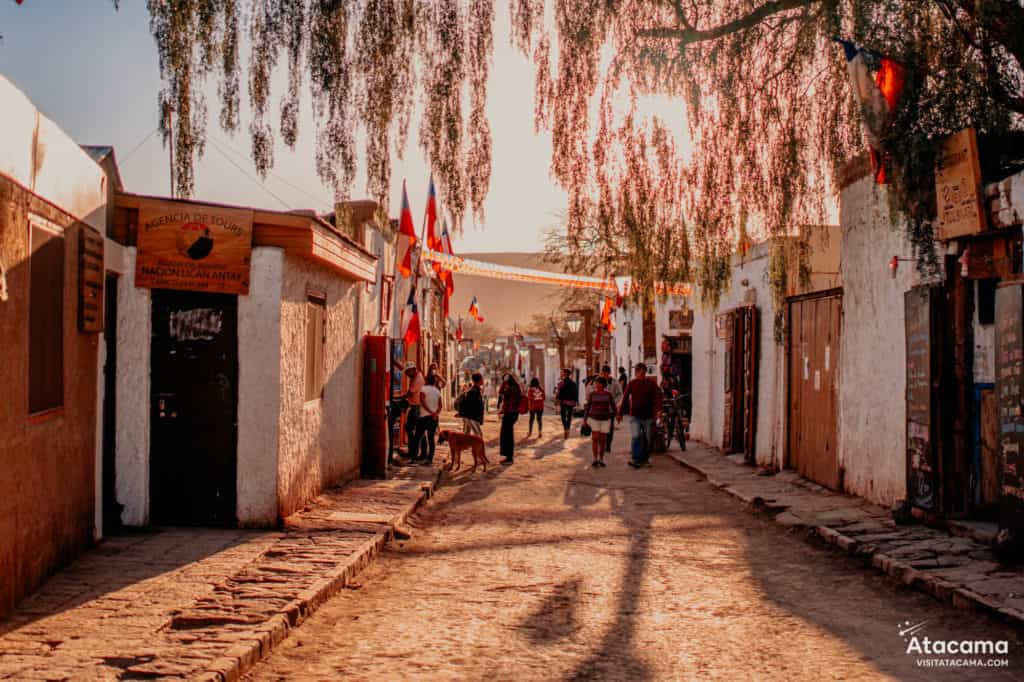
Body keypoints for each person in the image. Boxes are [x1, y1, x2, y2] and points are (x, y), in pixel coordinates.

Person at [618, 362, 663, 468]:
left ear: (644, 372)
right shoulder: (632, 383)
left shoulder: (651, 384)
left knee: (648, 438)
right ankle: (636, 459)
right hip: (635, 415)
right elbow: (625, 398)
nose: (638, 373)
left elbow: (658, 397)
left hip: (648, 416)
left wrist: (658, 410)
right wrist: (619, 413)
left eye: (640, 371)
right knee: (636, 436)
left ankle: (645, 459)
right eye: (637, 371)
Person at [582, 376, 616, 468]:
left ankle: (601, 459)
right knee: (595, 438)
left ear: (602, 384)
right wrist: (584, 420)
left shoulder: (608, 394)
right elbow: (587, 407)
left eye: (598, 383)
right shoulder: (592, 394)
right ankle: (595, 459)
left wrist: (616, 416)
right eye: (595, 383)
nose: (596, 384)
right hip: (594, 418)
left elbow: (613, 406)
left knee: (603, 440)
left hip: (605, 419)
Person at [411, 375, 442, 464]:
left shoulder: (423, 389)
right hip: (434, 417)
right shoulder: (437, 391)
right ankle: (429, 459)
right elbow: (440, 405)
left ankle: (414, 458)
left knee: (417, 437)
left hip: (424, 416)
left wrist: (429, 411)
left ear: (426, 380)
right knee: (431, 438)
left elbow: (422, 401)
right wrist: (436, 413)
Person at [400, 365, 425, 461]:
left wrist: (402, 397)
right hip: (416, 406)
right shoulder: (417, 376)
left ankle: (413, 452)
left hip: (416, 407)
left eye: (408, 372)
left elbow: (410, 393)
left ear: (414, 370)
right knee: (419, 431)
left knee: (412, 429)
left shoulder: (416, 380)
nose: (407, 375)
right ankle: (419, 453)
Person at [498, 374, 522, 464]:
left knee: (507, 435)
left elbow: (502, 393)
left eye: (505, 381)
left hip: (511, 414)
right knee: (506, 435)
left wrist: (504, 382)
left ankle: (509, 458)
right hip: (510, 413)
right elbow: (502, 393)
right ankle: (508, 457)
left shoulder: (513, 388)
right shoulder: (513, 387)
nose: (505, 384)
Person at [600, 365, 623, 454]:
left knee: (609, 427)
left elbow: (620, 394)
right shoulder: (598, 381)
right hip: (600, 408)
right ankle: (602, 444)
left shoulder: (614, 382)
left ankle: (608, 445)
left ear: (609, 373)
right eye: (603, 372)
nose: (604, 374)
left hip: (610, 408)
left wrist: (613, 402)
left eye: (606, 372)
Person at [457, 372, 485, 439]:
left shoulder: (474, 390)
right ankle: (477, 449)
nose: (483, 380)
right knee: (478, 436)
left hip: (469, 416)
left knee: (466, 434)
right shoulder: (473, 391)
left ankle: (463, 447)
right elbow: (470, 405)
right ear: (479, 380)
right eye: (482, 379)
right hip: (472, 417)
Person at [554, 369, 578, 439]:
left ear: (565, 374)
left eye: (562, 372)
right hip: (571, 402)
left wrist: (556, 399)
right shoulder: (573, 383)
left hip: (564, 401)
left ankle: (565, 429)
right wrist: (575, 401)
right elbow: (576, 392)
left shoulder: (562, 382)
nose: (561, 373)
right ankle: (568, 429)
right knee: (569, 416)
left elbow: (558, 391)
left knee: (563, 416)